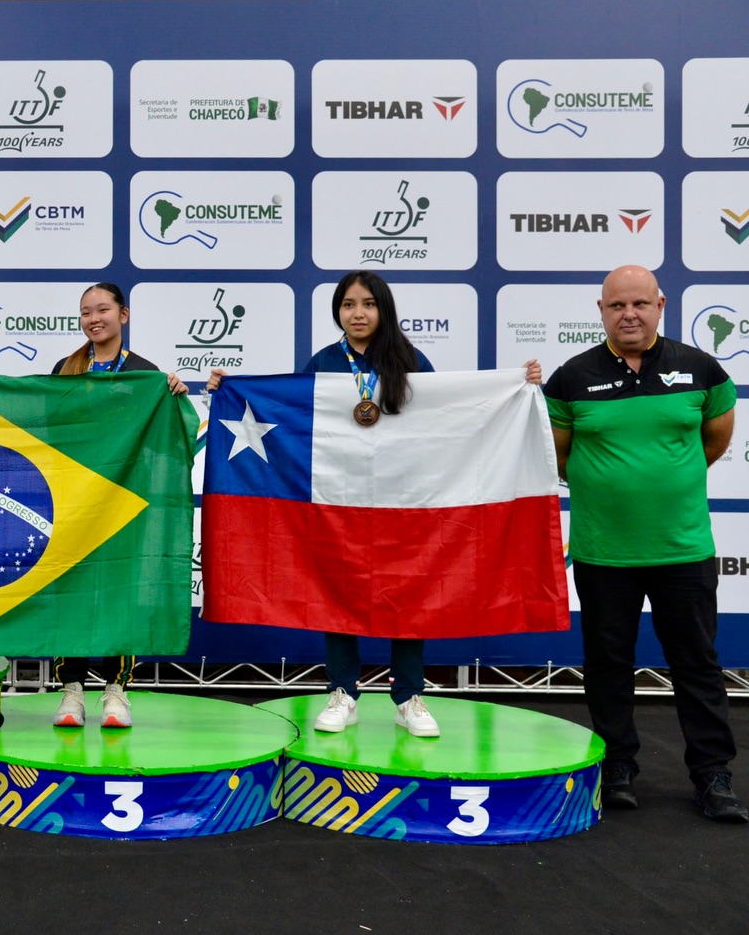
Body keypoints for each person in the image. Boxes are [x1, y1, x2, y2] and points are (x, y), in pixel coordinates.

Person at [207, 270, 540, 737]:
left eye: (368, 304)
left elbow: (450, 417)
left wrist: (517, 385)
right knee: (336, 592)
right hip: (338, 500)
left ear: (383, 309)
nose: (357, 313)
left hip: (404, 499)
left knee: (409, 593)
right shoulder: (324, 361)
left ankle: (408, 696)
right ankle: (343, 692)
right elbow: (288, 413)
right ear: (337, 311)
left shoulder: (411, 360)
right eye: (348, 304)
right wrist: (230, 387)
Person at [544, 264, 746, 824]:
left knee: (697, 664)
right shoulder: (570, 378)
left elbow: (714, 440)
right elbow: (559, 455)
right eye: (617, 306)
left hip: (683, 548)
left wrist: (663, 480)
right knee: (608, 663)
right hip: (603, 551)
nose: (628, 314)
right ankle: (617, 767)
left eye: (639, 304)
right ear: (601, 311)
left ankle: (713, 775)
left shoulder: (702, 369)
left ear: (660, 305)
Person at [49, 282, 187, 728]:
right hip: (74, 502)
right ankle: (71, 689)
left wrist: (176, 395)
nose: (94, 319)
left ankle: (116, 690)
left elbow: (168, 438)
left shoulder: (146, 374)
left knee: (120, 592)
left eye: (103, 309)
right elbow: (50, 434)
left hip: (124, 504)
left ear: (123, 315)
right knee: (72, 592)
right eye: (86, 312)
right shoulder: (65, 370)